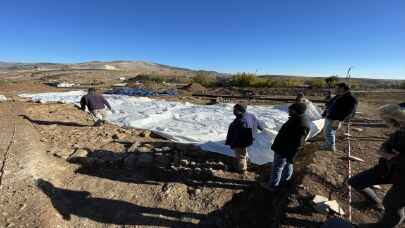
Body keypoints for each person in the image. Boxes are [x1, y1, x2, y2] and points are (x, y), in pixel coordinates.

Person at [349, 104, 405, 228]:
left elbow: (391, 153)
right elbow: (386, 146)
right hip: (388, 168)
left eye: (401, 121)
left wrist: (392, 156)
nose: (400, 125)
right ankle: (374, 202)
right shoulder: (401, 131)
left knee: (392, 204)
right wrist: (385, 151)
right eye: (397, 122)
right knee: (356, 181)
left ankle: (385, 226)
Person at [261, 103, 310, 191]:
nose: (288, 111)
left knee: (277, 167)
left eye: (290, 110)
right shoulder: (297, 119)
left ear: (295, 111)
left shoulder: (302, 123)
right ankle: (285, 182)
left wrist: (290, 152)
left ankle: (273, 186)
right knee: (287, 164)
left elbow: (299, 142)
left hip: (284, 149)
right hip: (286, 148)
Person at [225, 104, 264, 174]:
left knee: (240, 155)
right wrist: (263, 130)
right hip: (249, 139)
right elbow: (258, 124)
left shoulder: (240, 121)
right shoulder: (251, 115)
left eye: (235, 110)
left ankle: (243, 170)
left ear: (239, 111)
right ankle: (248, 164)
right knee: (244, 152)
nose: (233, 111)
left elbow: (237, 134)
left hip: (240, 141)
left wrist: (233, 143)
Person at [321, 83, 358, 152]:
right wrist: (326, 110)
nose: (335, 89)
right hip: (330, 116)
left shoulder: (351, 98)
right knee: (327, 131)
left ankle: (330, 146)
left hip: (335, 118)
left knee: (329, 132)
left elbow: (349, 112)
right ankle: (328, 144)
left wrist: (339, 120)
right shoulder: (339, 95)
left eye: (337, 88)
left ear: (342, 88)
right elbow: (330, 104)